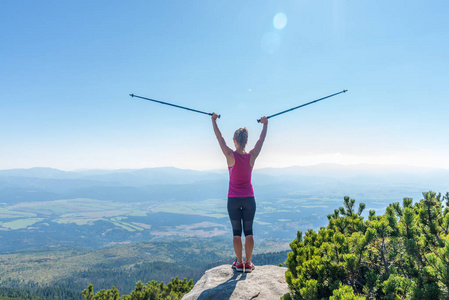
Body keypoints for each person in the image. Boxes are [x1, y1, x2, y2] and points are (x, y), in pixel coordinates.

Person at [211, 113, 268, 273]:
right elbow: (261, 141)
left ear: (235, 141)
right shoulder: (252, 156)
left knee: (237, 233)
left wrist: (214, 120)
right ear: (246, 141)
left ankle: (239, 262)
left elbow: (219, 138)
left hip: (233, 200)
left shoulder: (230, 155)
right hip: (249, 199)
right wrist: (265, 124)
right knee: (249, 232)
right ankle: (248, 264)